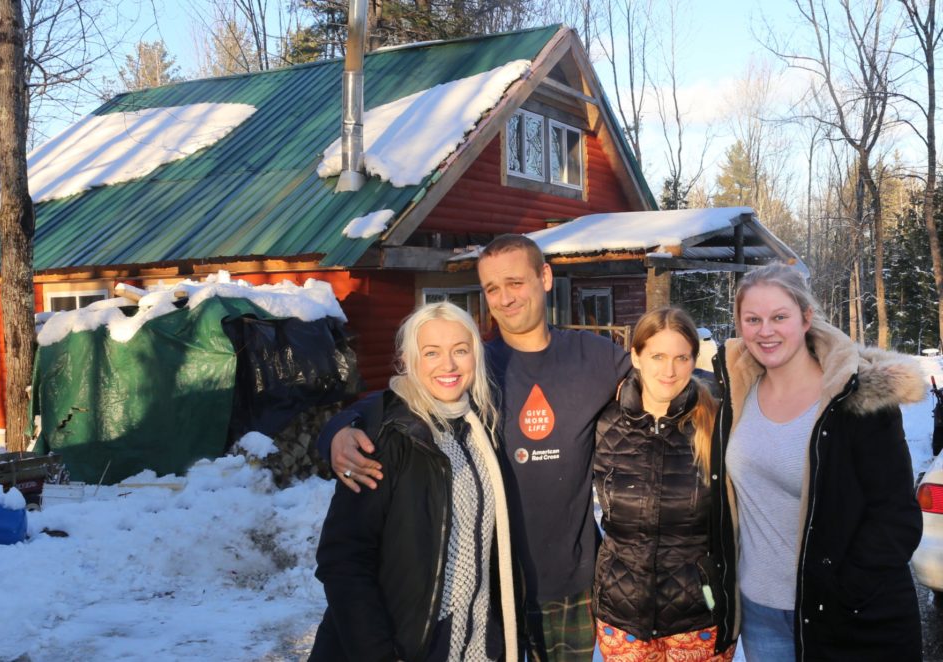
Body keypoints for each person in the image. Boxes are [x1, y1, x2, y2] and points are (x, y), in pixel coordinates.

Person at [319, 234, 630, 661]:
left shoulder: (595, 357)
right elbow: (394, 403)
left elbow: (664, 380)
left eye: (515, 282)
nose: (504, 298)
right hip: (493, 584)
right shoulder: (474, 365)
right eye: (491, 288)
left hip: (569, 584)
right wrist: (338, 429)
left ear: (544, 277)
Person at [710, 263, 923, 661]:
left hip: (839, 613)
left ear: (807, 317)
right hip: (760, 612)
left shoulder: (853, 399)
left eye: (779, 317)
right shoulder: (737, 392)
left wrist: (841, 591)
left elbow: (896, 518)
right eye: (752, 319)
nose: (765, 331)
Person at [310, 302, 517, 661]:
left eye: (460, 350)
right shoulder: (385, 438)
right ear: (409, 361)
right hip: (407, 645)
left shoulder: (483, 428)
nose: (448, 365)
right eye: (431, 352)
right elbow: (343, 560)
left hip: (475, 642)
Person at [592, 307, 737, 661]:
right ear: (636, 356)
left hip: (697, 616)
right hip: (621, 616)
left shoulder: (716, 423)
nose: (669, 370)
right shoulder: (605, 424)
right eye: (657, 356)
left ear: (693, 359)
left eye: (681, 357)